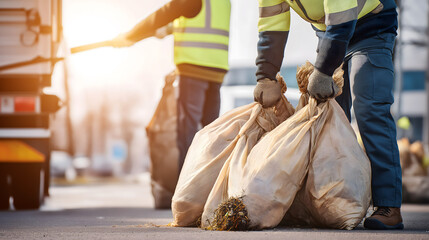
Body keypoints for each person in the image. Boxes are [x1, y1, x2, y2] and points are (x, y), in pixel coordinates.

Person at [253, 0, 403, 230]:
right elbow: (272, 23)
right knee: (330, 118)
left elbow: (342, 18)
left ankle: (388, 205)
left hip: (371, 25)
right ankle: (337, 201)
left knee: (370, 108)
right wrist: (266, 76)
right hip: (330, 34)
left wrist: (323, 71)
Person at [111, 0, 231, 173]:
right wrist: (166, 29)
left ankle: (187, 190)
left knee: (187, 132)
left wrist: (129, 36)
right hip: (217, 69)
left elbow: (162, 15)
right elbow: (196, 20)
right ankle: (210, 185)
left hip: (193, 67)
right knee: (210, 133)